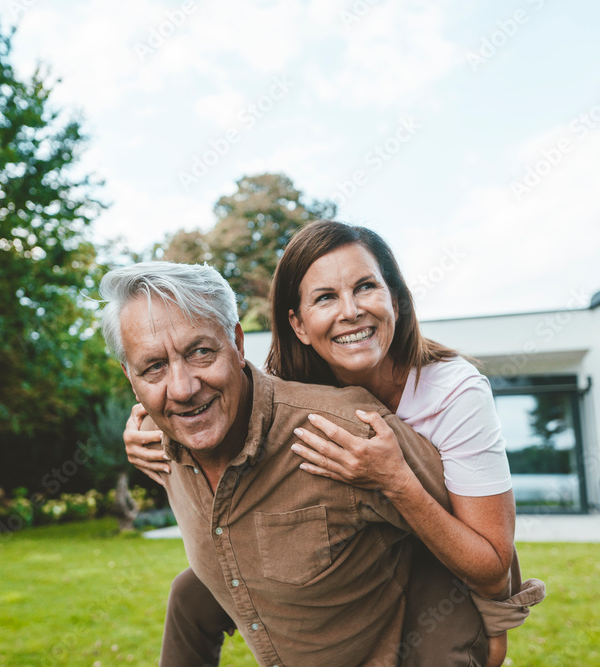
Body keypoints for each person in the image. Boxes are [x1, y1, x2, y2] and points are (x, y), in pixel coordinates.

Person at [126, 221, 544, 666]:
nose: (350, 312)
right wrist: (147, 427)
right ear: (299, 324)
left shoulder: (453, 392)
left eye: (365, 287)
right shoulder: (296, 387)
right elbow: (213, 398)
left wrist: (395, 480)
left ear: (397, 301)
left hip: (435, 547)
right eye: (325, 297)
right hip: (366, 539)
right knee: (190, 593)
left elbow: (489, 547)